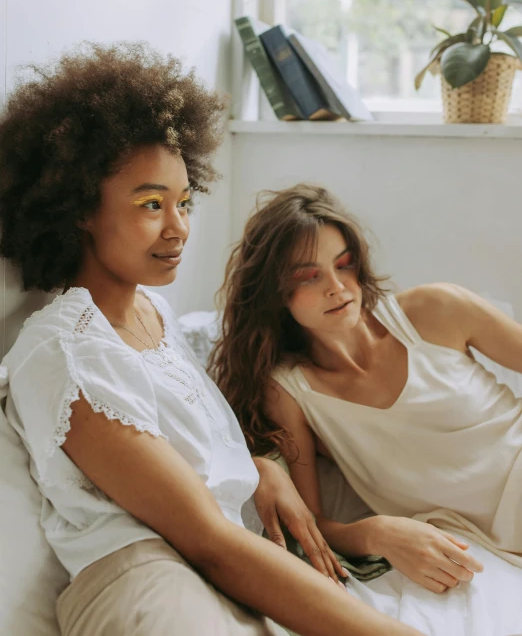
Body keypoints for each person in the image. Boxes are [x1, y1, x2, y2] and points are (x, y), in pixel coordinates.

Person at [0, 44, 422, 636]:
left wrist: (257, 468)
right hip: (148, 586)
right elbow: (210, 539)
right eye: (150, 204)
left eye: (183, 201)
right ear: (79, 210)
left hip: (216, 575)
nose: (178, 228)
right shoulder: (63, 349)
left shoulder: (156, 315)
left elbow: (174, 464)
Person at [212, 183, 522, 633]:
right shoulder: (290, 392)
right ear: (276, 294)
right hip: (479, 548)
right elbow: (313, 524)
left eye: (344, 265)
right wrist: (377, 532)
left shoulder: (436, 310)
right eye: (308, 276)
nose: (337, 288)